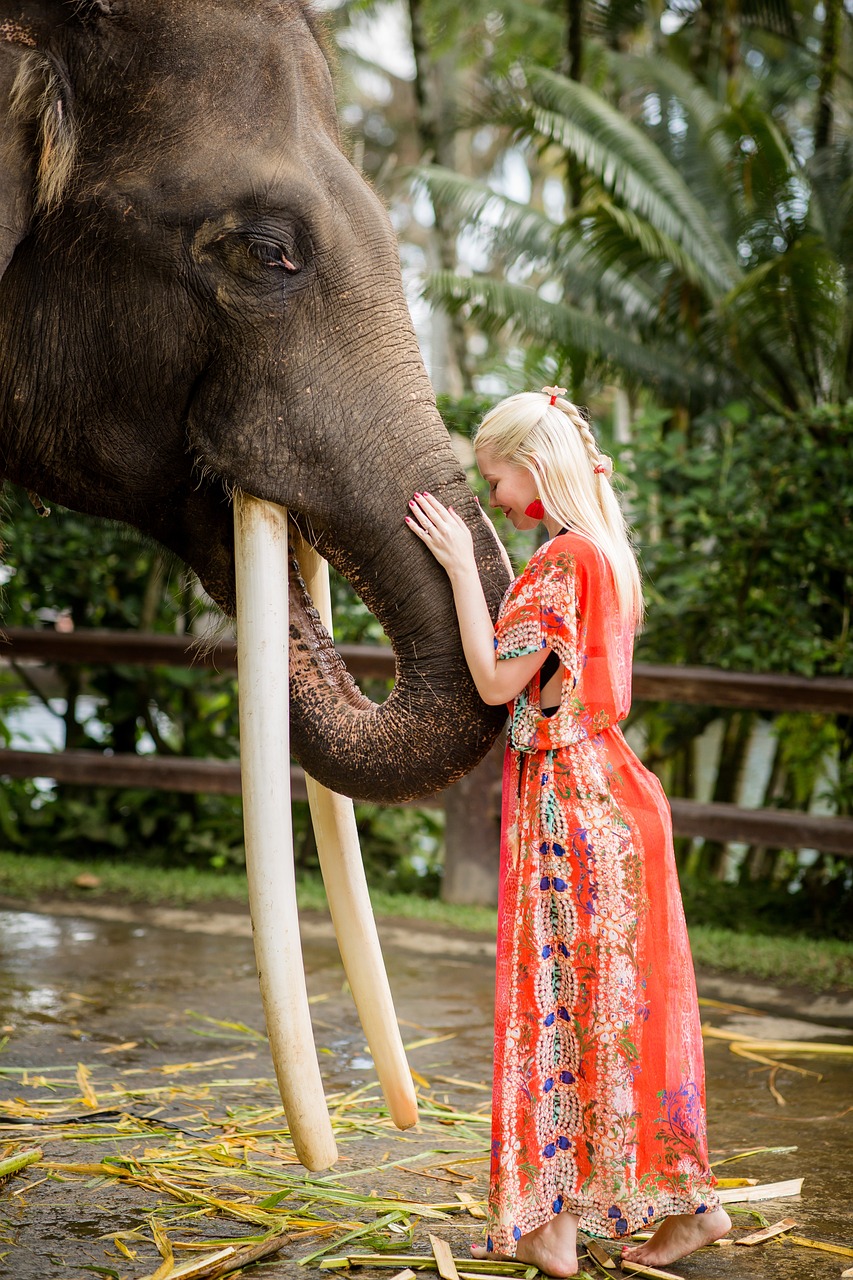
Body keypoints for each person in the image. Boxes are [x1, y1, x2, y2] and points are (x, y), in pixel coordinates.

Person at [405, 387, 730, 1276]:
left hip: (570, 810)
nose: (495, 495)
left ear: (531, 464)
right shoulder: (605, 555)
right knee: (622, 1016)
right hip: (617, 798)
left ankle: (559, 1222)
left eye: (495, 475)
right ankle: (678, 1207)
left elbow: (493, 682)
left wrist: (463, 569)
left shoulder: (559, 561)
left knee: (559, 1006)